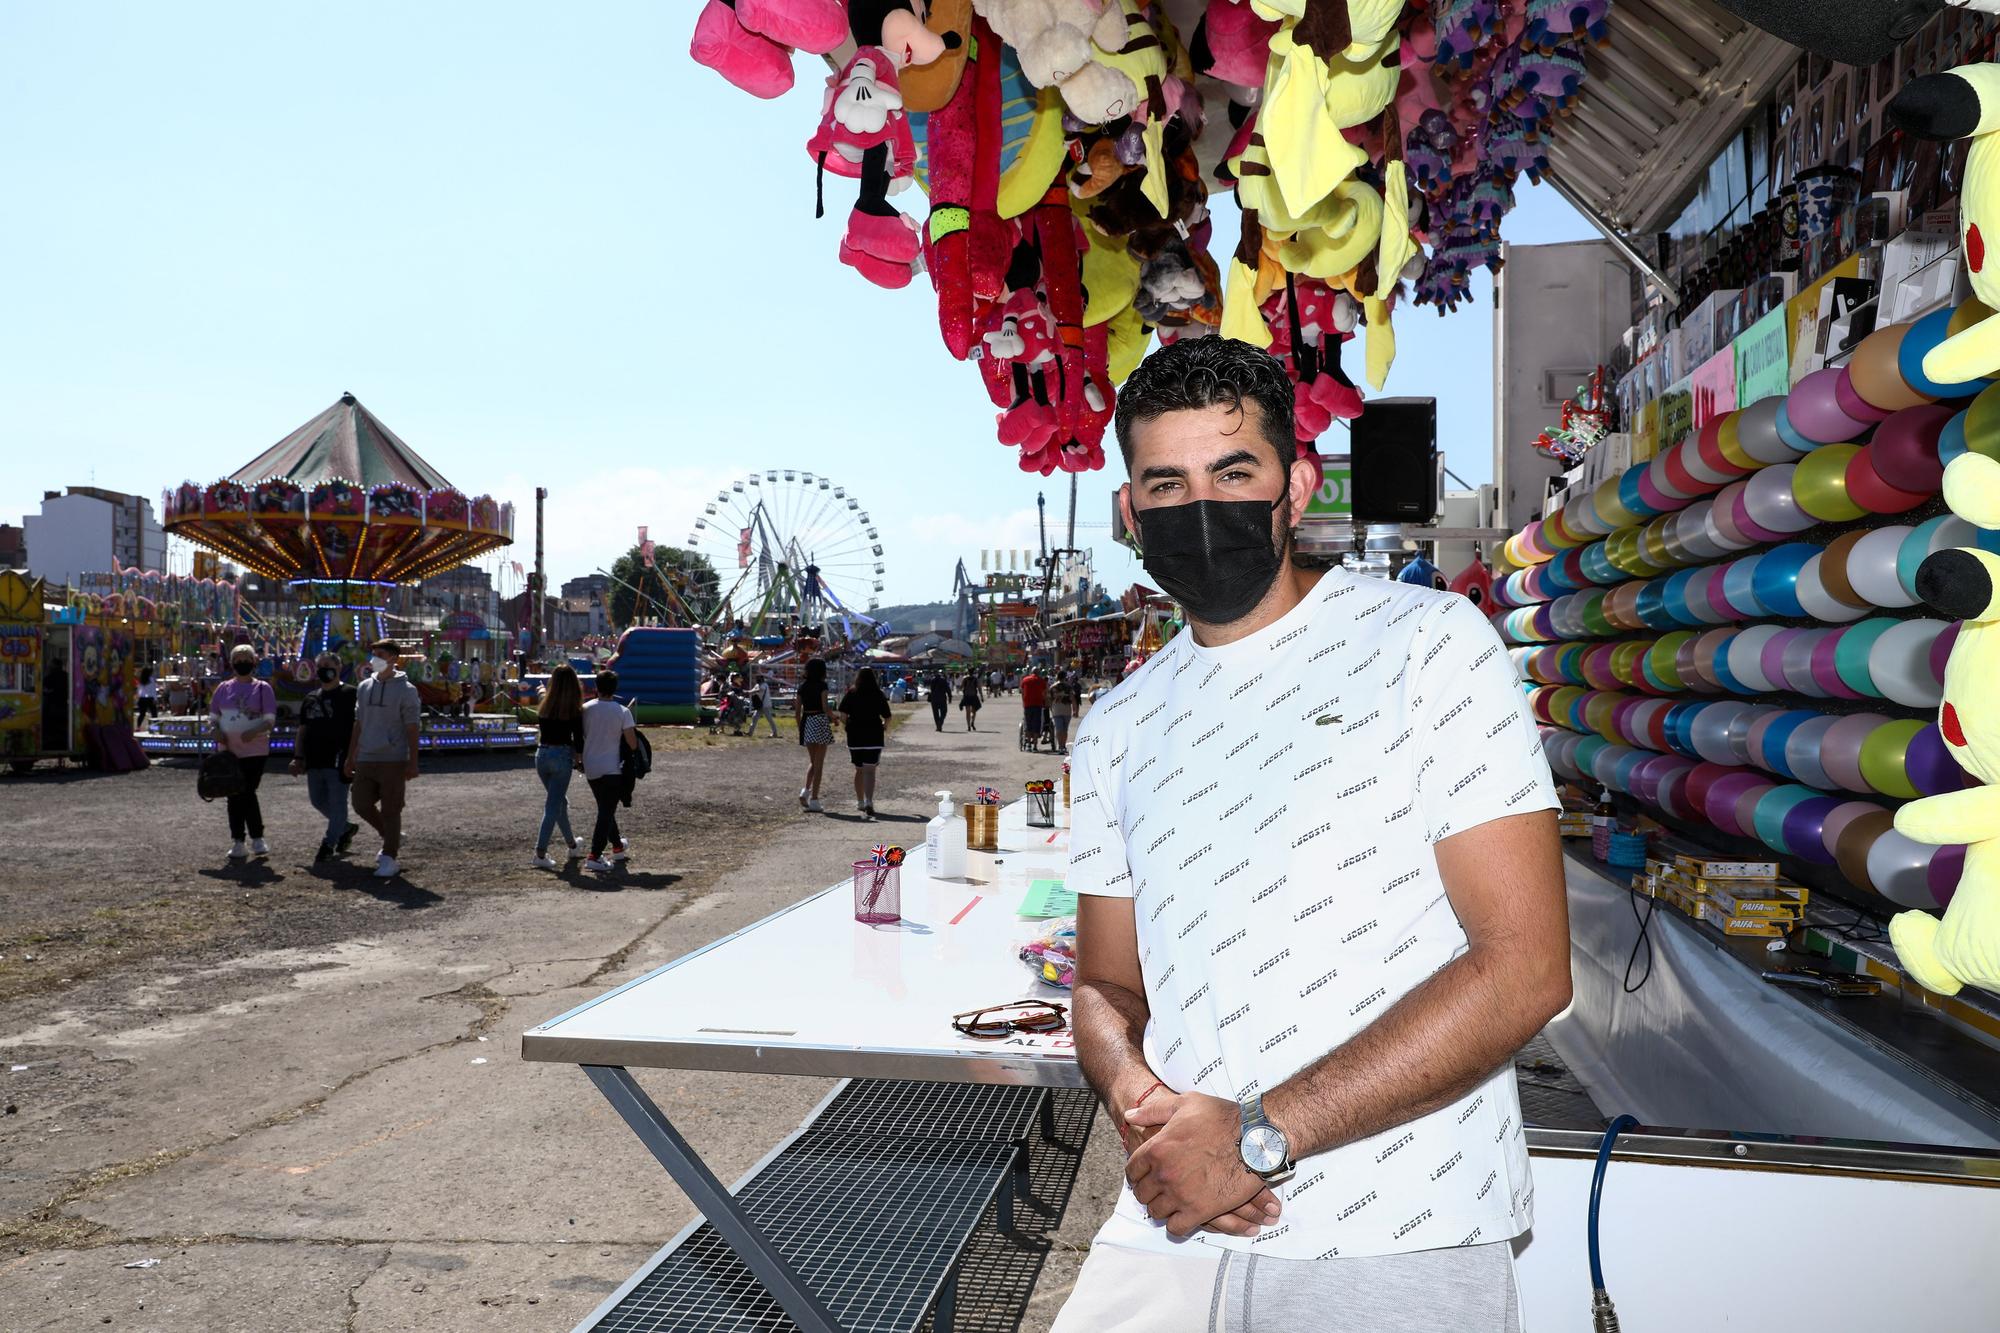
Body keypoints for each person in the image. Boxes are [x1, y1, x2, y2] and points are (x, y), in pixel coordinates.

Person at [1057, 337, 1570, 1332]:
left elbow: (1525, 967)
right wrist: (1134, 1095)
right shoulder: (1115, 723)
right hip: (1173, 1222)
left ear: (1293, 485)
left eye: (1230, 471)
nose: (1198, 508)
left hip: (1394, 1237)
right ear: (1130, 513)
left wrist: (1250, 1141)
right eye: (1164, 484)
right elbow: (1104, 985)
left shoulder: (1426, 645)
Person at [344, 638, 422, 879]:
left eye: (380, 654)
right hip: (366, 756)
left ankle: (389, 856)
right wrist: (350, 755)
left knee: (391, 809)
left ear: (393, 658)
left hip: (393, 757)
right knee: (360, 803)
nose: (375, 658)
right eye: (373, 653)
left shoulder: (406, 690)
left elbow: (412, 727)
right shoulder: (364, 686)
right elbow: (358, 723)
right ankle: (392, 837)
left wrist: (412, 761)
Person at [292, 652, 359, 863]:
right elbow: (302, 729)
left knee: (338, 802)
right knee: (318, 800)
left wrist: (354, 755)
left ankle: (328, 843)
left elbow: (359, 726)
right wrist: (298, 756)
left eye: (327, 665)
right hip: (314, 758)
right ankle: (345, 827)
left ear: (339, 668)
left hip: (339, 757)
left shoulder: (351, 694)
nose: (323, 669)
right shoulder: (311, 698)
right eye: (319, 666)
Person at [210, 644, 277, 859]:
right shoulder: (223, 688)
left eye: (246, 658)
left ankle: (256, 837)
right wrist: (216, 731)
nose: (242, 662)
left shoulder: (263, 688)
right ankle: (239, 840)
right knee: (233, 794)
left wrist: (254, 730)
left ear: (254, 662)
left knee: (246, 791)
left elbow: (269, 720)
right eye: (238, 659)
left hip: (255, 750)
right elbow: (214, 718)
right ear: (232, 663)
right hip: (229, 750)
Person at [581, 668, 640, 871]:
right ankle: (594, 855)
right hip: (613, 767)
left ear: (596, 687)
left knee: (605, 809)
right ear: (615, 689)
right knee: (606, 811)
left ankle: (617, 847)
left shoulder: (586, 709)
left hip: (590, 766)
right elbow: (632, 744)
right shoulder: (622, 712)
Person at [532, 664, 586, 869]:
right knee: (553, 806)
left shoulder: (545, 704)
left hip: (541, 754)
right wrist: (579, 760)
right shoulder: (574, 709)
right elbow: (578, 739)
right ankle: (540, 852)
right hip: (561, 756)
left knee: (559, 803)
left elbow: (542, 694)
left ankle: (572, 845)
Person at [837, 666, 893, 819]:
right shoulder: (878, 694)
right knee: (870, 770)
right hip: (874, 735)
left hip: (855, 736)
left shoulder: (852, 693)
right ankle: (869, 800)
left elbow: (842, 714)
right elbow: (887, 716)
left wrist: (847, 725)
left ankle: (860, 801)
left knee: (859, 770)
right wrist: (884, 727)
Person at [795, 657, 834, 812]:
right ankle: (815, 800)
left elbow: (797, 712)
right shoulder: (822, 685)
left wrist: (801, 729)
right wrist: (834, 717)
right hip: (819, 721)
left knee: (813, 761)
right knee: (819, 764)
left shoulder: (802, 687)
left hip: (806, 722)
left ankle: (805, 791)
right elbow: (825, 707)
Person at [1019, 665, 1048, 750]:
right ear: (1039, 673)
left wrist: (1024, 703)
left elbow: (1022, 692)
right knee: (1036, 725)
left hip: (1027, 705)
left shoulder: (1025, 680)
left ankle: (1028, 745)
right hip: (1038, 705)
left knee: (1028, 724)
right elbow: (1045, 693)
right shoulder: (1041, 681)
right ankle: (1035, 746)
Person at [746, 671, 780, 738]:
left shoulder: (764, 685)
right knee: (754, 718)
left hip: (765, 705)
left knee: (769, 719)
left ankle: (775, 733)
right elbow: (752, 690)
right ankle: (750, 733)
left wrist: (748, 692)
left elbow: (759, 690)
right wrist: (746, 692)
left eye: (757, 678)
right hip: (760, 705)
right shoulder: (757, 685)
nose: (756, 679)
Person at [1048, 673, 1075, 754]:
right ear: (1064, 677)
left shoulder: (1052, 687)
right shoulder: (1068, 687)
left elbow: (1049, 699)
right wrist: (1075, 710)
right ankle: (1063, 746)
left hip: (1056, 710)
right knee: (1065, 729)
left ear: (1057, 677)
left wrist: (1050, 708)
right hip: (1067, 710)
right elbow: (1072, 698)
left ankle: (1060, 746)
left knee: (1059, 729)